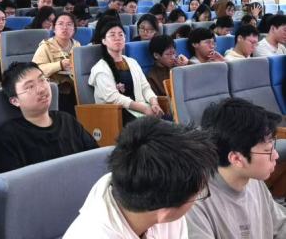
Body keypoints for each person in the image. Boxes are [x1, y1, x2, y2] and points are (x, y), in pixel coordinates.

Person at [64, 117, 217, 239]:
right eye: (198, 194)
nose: (199, 195)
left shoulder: (152, 193)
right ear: (165, 214)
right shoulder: (91, 233)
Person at [187, 98, 285, 238]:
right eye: (267, 150)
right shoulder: (195, 204)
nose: (275, 155)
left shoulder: (252, 179)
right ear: (237, 159)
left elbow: (280, 226)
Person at [0, 62, 97, 174]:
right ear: (15, 101)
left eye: (42, 80)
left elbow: (96, 158)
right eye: (30, 87)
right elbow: (11, 182)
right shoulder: (8, 137)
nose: (41, 89)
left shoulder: (67, 120)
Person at [89, 22, 163, 124]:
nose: (117, 38)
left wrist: (154, 103)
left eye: (121, 35)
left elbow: (145, 87)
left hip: (140, 110)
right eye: (112, 35)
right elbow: (113, 98)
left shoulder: (132, 62)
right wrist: (144, 109)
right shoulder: (100, 68)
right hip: (117, 116)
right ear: (104, 40)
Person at [32, 12, 80, 114]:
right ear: (54, 28)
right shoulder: (46, 46)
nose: (65, 27)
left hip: (74, 88)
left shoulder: (77, 45)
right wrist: (60, 65)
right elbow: (36, 69)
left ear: (74, 29)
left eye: (69, 24)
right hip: (54, 90)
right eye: (60, 24)